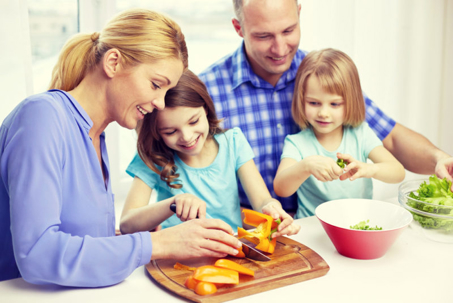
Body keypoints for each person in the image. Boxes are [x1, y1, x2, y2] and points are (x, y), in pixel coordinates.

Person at [0, 9, 242, 286]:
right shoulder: (42, 117)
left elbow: (80, 242)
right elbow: (38, 254)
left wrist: (127, 238)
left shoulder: (96, 138)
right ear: (113, 62)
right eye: (155, 85)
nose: (160, 104)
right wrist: (157, 243)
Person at [198, 0, 453, 214]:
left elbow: (392, 139)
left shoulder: (320, 76)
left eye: (288, 31)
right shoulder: (206, 92)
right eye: (263, 35)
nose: (279, 48)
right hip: (251, 229)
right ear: (238, 28)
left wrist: (439, 159)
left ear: (299, 14)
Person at [120, 70, 300, 237]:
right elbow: (127, 225)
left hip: (229, 248)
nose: (187, 137)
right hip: (176, 254)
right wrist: (173, 203)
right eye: (170, 132)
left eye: (193, 121)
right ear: (157, 133)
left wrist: (272, 208)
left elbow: (262, 200)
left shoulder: (233, 142)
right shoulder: (154, 156)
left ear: (205, 108)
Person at [273, 49, 405, 218]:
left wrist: (370, 169)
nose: (323, 113)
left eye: (335, 104)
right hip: (312, 230)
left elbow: (398, 172)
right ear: (301, 100)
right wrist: (306, 166)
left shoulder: (361, 134)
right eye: (314, 103)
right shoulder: (296, 143)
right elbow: (281, 188)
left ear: (351, 102)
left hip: (357, 225)